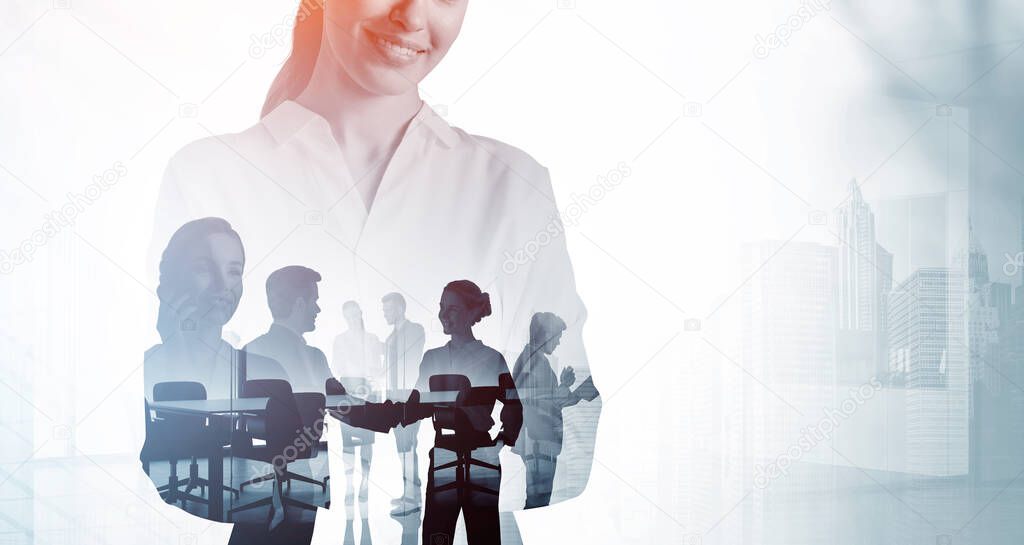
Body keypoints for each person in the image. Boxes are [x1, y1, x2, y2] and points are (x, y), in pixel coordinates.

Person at [149, 0, 601, 537]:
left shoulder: (513, 183)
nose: (412, 17)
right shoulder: (209, 175)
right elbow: (171, 450)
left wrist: (461, 447)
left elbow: (570, 440)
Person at [142, 217, 305, 543]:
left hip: (254, 506)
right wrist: (175, 347)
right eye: (204, 268)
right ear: (169, 286)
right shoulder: (147, 365)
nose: (222, 285)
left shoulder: (266, 370)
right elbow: (155, 462)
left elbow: (296, 471)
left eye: (234, 271)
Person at [414, 280, 521, 545]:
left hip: (481, 454)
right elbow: (416, 403)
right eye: (441, 307)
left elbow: (514, 403)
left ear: (473, 313)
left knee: (483, 534)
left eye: (452, 308)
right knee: (437, 534)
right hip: (444, 452)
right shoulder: (431, 358)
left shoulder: (492, 358)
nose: (443, 314)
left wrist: (502, 440)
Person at [511, 312, 583, 508]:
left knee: (538, 502)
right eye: (558, 336)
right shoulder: (534, 361)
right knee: (537, 503)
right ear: (548, 333)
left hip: (538, 443)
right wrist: (565, 387)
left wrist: (566, 388)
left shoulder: (533, 360)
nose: (558, 342)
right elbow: (533, 402)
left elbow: (543, 400)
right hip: (538, 443)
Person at [244, 265, 334, 395]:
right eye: (314, 300)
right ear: (299, 304)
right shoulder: (315, 358)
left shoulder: (249, 351)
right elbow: (339, 405)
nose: (318, 309)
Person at [332, 300, 384, 519]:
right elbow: (336, 366)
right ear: (345, 318)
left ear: (361, 313)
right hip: (348, 389)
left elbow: (379, 368)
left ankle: (364, 481)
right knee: (347, 442)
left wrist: (371, 381)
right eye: (349, 316)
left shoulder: (372, 339)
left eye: (355, 315)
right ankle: (350, 483)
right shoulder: (339, 340)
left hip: (369, 389)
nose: (353, 319)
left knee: (367, 441)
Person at [381, 292, 426, 516]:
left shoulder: (414, 330)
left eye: (388, 310)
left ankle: (412, 498)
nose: (385, 314)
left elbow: (409, 360)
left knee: (407, 448)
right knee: (404, 448)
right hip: (395, 397)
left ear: (400, 308)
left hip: (408, 397)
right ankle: (411, 492)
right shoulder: (391, 336)